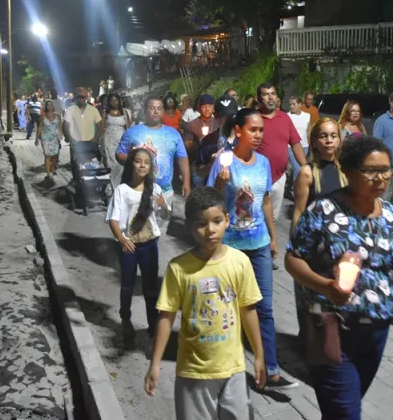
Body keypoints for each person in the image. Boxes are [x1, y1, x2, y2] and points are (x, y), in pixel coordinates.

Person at [286, 134, 393, 419]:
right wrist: (326, 286)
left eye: (386, 170)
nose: (381, 178)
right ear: (348, 172)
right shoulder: (323, 211)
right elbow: (293, 259)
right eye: (371, 171)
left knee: (344, 406)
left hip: (377, 330)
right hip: (331, 328)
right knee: (346, 412)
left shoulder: (392, 215)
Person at [145, 187, 266, 419]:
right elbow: (166, 316)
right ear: (190, 226)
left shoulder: (239, 262)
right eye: (201, 224)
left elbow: (248, 310)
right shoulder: (178, 268)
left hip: (234, 369)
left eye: (217, 221)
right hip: (193, 373)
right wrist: (155, 363)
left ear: (227, 220)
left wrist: (260, 356)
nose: (210, 230)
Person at [207, 108, 298, 390]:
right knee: (229, 310)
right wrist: (221, 186)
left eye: (261, 130)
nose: (259, 135)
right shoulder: (223, 162)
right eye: (253, 130)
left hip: (258, 245)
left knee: (265, 309)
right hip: (230, 248)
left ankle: (270, 370)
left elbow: (266, 200)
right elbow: (210, 204)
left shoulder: (263, 162)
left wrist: (272, 236)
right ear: (238, 131)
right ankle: (229, 370)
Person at [290, 116, 347, 349]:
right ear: (313, 141)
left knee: (339, 301)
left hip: (342, 247)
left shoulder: (346, 171)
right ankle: (311, 348)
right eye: (323, 136)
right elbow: (298, 212)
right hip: (315, 248)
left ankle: (335, 346)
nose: (329, 141)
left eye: (333, 136)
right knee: (312, 303)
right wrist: (296, 251)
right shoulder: (307, 173)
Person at [106, 146, 170, 339]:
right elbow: (113, 219)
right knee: (127, 284)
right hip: (129, 246)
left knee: (150, 288)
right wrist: (122, 239)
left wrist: (163, 206)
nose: (142, 165)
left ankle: (153, 325)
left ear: (150, 167)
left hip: (150, 245)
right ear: (131, 164)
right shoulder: (122, 190)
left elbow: (165, 215)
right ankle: (125, 319)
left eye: (146, 162)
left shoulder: (155, 189)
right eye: (138, 161)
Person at [116, 96, 192, 230]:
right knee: (136, 231)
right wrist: (133, 162)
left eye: (159, 108)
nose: (156, 111)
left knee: (159, 231)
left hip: (164, 193)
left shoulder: (173, 134)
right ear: (145, 111)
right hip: (137, 192)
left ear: (163, 111)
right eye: (152, 108)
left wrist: (186, 182)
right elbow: (119, 153)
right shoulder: (132, 132)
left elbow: (182, 158)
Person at [255, 83, 307, 223]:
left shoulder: (284, 118)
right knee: (255, 220)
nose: (270, 97)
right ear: (259, 99)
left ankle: (268, 242)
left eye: (273, 93)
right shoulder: (253, 118)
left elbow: (295, 144)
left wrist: (305, 167)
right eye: (266, 94)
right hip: (256, 179)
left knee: (272, 220)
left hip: (279, 179)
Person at [194, 94, 239, 187]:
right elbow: (199, 173)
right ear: (215, 116)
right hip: (215, 193)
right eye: (223, 116)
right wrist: (211, 164)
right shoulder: (207, 141)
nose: (227, 120)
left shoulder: (245, 139)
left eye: (231, 116)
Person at [99, 92, 130, 187]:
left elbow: (128, 128)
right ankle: (111, 187)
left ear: (119, 101)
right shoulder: (105, 113)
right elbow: (101, 128)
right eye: (111, 100)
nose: (114, 102)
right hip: (109, 140)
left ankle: (120, 185)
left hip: (121, 140)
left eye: (115, 100)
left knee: (121, 164)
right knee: (110, 164)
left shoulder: (124, 112)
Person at [184, 93, 218, 162]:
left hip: (216, 160)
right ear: (199, 108)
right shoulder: (191, 125)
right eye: (204, 107)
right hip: (198, 162)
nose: (207, 109)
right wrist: (198, 143)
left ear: (213, 107)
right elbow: (187, 146)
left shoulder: (218, 122)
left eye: (210, 106)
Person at [34, 100, 63, 181]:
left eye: (51, 105)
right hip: (45, 138)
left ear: (53, 106)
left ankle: (53, 167)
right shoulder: (43, 116)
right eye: (48, 105)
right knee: (47, 155)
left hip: (55, 138)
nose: (50, 106)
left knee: (55, 156)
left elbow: (60, 127)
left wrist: (61, 137)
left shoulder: (58, 116)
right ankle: (48, 173)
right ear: (45, 107)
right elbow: (39, 128)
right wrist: (36, 138)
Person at [287, 95, 311, 184]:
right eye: (290, 104)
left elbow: (308, 130)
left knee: (302, 167)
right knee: (297, 167)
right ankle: (298, 192)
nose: (291, 106)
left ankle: (290, 186)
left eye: (294, 104)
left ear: (300, 104)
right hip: (291, 147)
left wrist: (310, 143)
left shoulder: (307, 116)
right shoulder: (287, 116)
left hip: (304, 146)